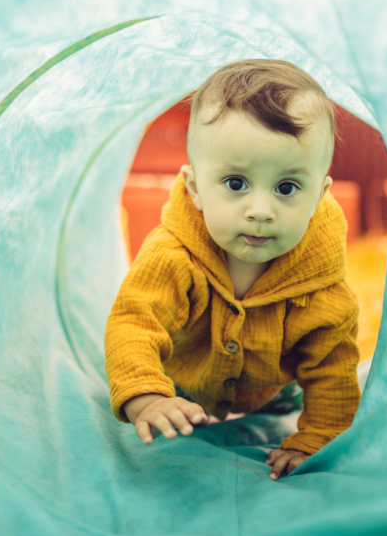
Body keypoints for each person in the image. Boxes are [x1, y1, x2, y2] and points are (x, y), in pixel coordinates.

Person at [105, 59, 361, 480]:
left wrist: (318, 437)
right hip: (185, 381)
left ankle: (286, 406)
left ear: (319, 196)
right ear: (195, 189)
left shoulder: (321, 286)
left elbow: (332, 366)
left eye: (286, 188)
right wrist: (147, 397)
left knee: (311, 384)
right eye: (236, 183)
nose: (260, 212)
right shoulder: (174, 254)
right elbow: (135, 322)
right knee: (148, 380)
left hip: (276, 389)